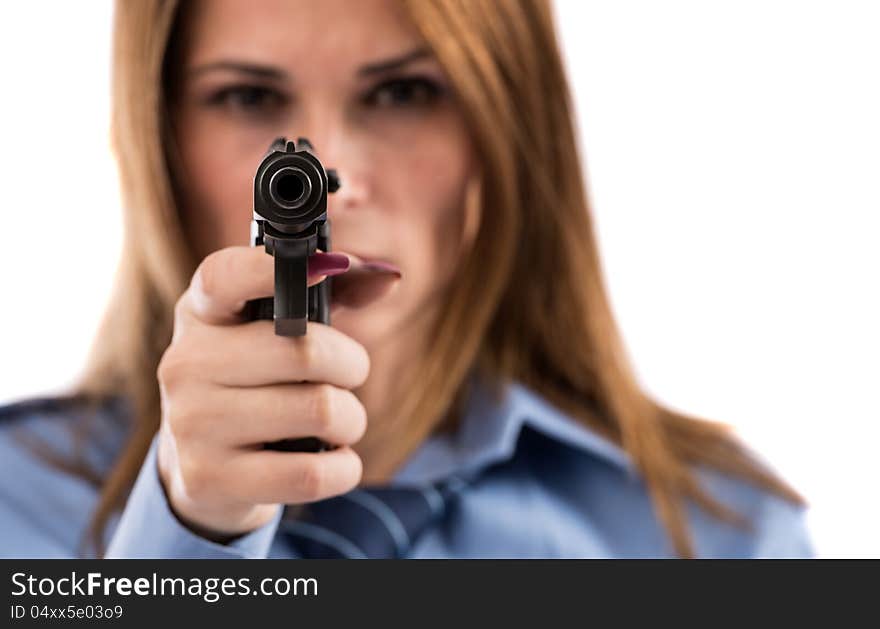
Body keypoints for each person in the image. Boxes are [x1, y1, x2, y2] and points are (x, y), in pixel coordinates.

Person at [0, 0, 813, 559]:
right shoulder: (13, 501)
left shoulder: (720, 534)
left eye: (403, 91)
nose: (331, 177)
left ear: (508, 122)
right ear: (156, 139)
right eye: (246, 95)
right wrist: (188, 534)